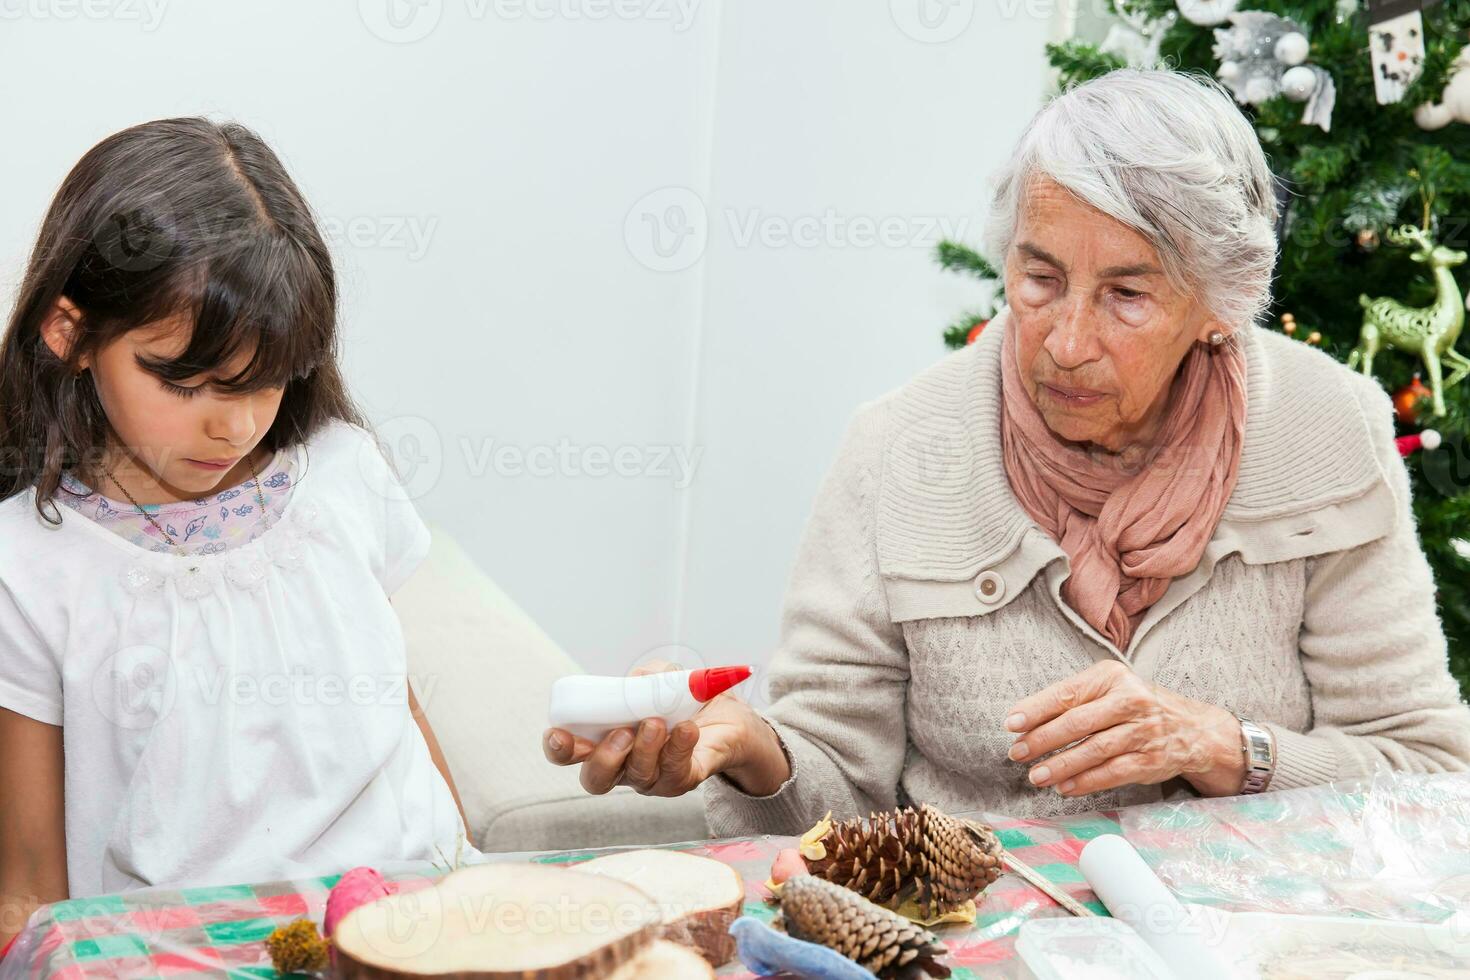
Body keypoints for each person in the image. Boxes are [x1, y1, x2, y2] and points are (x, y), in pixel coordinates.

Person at [543, 68, 1470, 837]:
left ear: (1216, 306)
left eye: (1127, 295)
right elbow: (838, 787)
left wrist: (1224, 747)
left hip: (1255, 933)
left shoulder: (1324, 428)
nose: (1065, 342)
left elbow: (1427, 775)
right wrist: (750, 749)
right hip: (979, 930)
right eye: (1040, 277)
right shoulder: (899, 448)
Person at [0, 119, 472, 943]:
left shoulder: (340, 472)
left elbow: (393, 712)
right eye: (189, 384)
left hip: (421, 922)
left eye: (269, 381)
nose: (238, 427)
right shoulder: (29, 565)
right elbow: (30, 890)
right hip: (184, 952)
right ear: (69, 333)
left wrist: (471, 876)